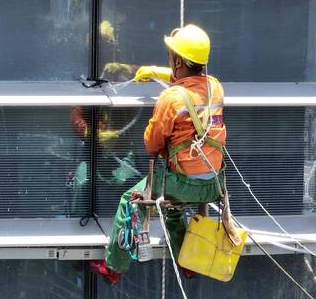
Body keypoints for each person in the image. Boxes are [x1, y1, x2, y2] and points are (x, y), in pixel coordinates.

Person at [89, 24, 232, 284]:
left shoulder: (170, 99)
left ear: (178, 60)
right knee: (172, 209)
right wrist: (157, 72)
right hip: (213, 184)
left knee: (130, 201)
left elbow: (151, 145)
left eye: (171, 57)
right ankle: (186, 262)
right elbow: (192, 83)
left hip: (182, 184)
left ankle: (113, 267)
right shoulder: (216, 88)